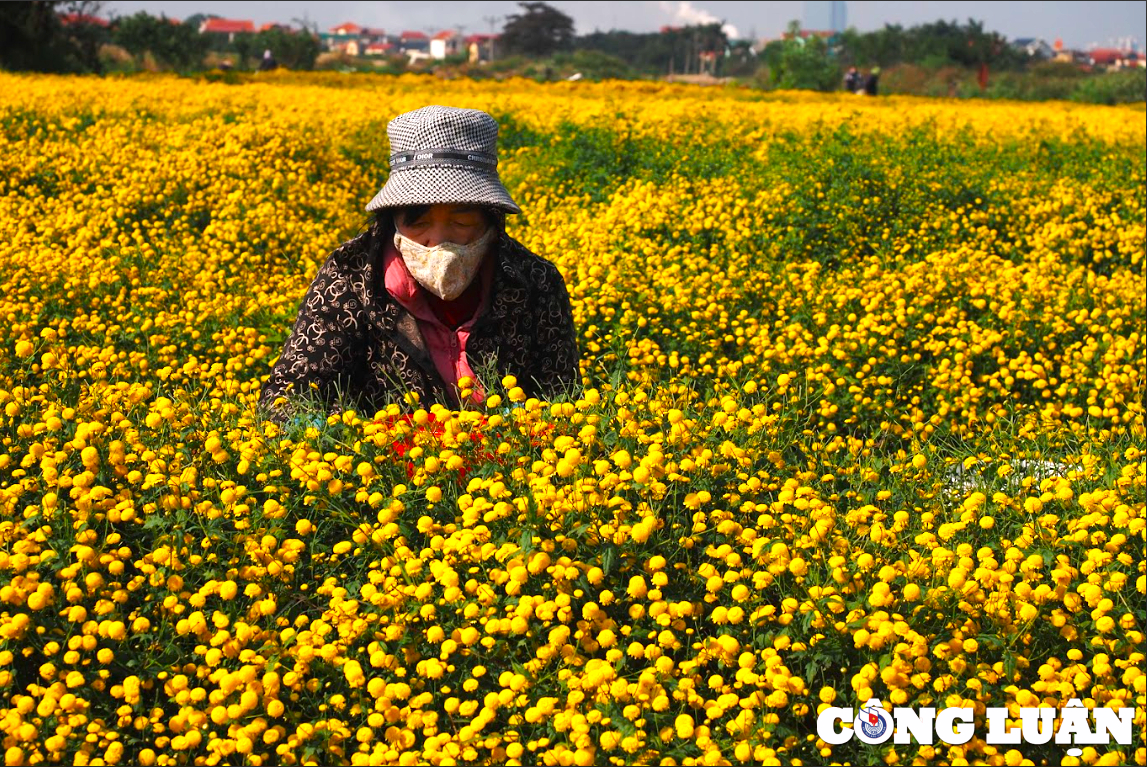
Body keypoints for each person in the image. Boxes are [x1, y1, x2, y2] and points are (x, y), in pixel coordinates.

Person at [258, 105, 581, 424]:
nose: (438, 240)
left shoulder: (535, 281)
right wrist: (367, 434)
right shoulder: (351, 278)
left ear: (490, 219)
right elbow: (286, 397)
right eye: (419, 222)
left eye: (462, 220)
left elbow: (563, 396)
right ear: (393, 220)